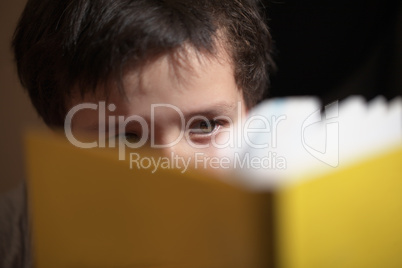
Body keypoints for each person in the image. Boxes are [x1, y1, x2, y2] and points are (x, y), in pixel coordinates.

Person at [6, 0, 274, 266]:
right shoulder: (14, 242)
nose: (172, 168)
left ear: (250, 114)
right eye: (125, 138)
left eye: (205, 125)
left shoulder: (284, 225)